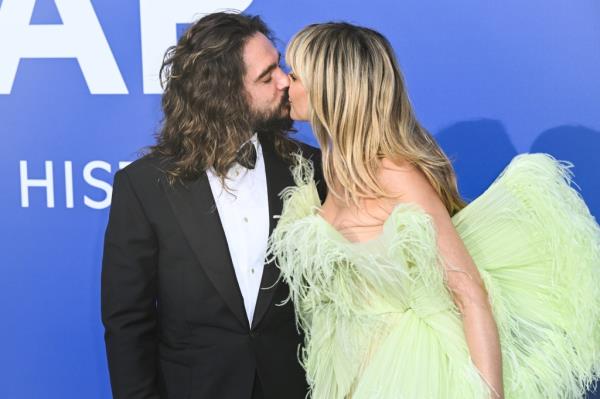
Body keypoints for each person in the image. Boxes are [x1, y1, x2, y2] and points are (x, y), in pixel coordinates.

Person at [268, 22, 600, 399]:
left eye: (294, 75)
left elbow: (469, 291)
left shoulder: (394, 174)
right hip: (352, 376)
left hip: (415, 377)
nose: (284, 84)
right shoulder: (334, 173)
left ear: (331, 88)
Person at [101, 12, 324, 399]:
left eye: (281, 67)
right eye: (267, 74)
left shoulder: (311, 168)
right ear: (225, 95)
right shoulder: (143, 186)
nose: (286, 81)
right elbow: (128, 323)